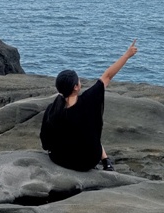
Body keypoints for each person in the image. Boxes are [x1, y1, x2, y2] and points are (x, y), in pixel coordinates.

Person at [40, 40, 138, 172]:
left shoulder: (52, 109)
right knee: (92, 126)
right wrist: (127, 55)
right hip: (84, 162)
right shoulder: (87, 100)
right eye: (79, 81)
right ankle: (106, 162)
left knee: (85, 128)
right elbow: (107, 76)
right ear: (75, 87)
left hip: (59, 158)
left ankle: (105, 160)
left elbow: (45, 143)